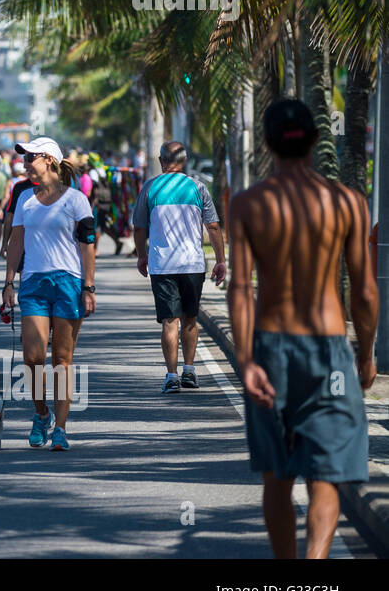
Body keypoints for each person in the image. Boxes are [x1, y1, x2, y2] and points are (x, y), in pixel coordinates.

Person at [227, 100, 378, 559]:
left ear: (268, 145)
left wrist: (247, 359)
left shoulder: (249, 203)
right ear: (316, 140)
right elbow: (365, 292)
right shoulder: (347, 202)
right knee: (326, 473)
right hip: (329, 349)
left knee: (278, 474)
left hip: (272, 347)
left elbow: (238, 288)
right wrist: (366, 355)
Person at [1, 137, 96, 451]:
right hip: (33, 283)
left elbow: (87, 246)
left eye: (31, 159)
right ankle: (41, 413)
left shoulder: (76, 200)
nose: (25, 165)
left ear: (49, 160)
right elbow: (16, 242)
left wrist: (89, 287)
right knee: (33, 358)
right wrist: (8, 282)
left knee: (63, 361)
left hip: (68, 283)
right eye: (25, 160)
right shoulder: (24, 199)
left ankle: (61, 428)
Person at [132, 141, 226, 394]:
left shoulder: (150, 188)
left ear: (161, 161)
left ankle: (172, 376)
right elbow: (214, 226)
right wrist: (220, 260)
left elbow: (139, 227)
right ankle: (190, 371)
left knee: (169, 322)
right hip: (192, 264)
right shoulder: (198, 187)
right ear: (183, 162)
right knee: (190, 320)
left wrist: (142, 256)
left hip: (162, 265)